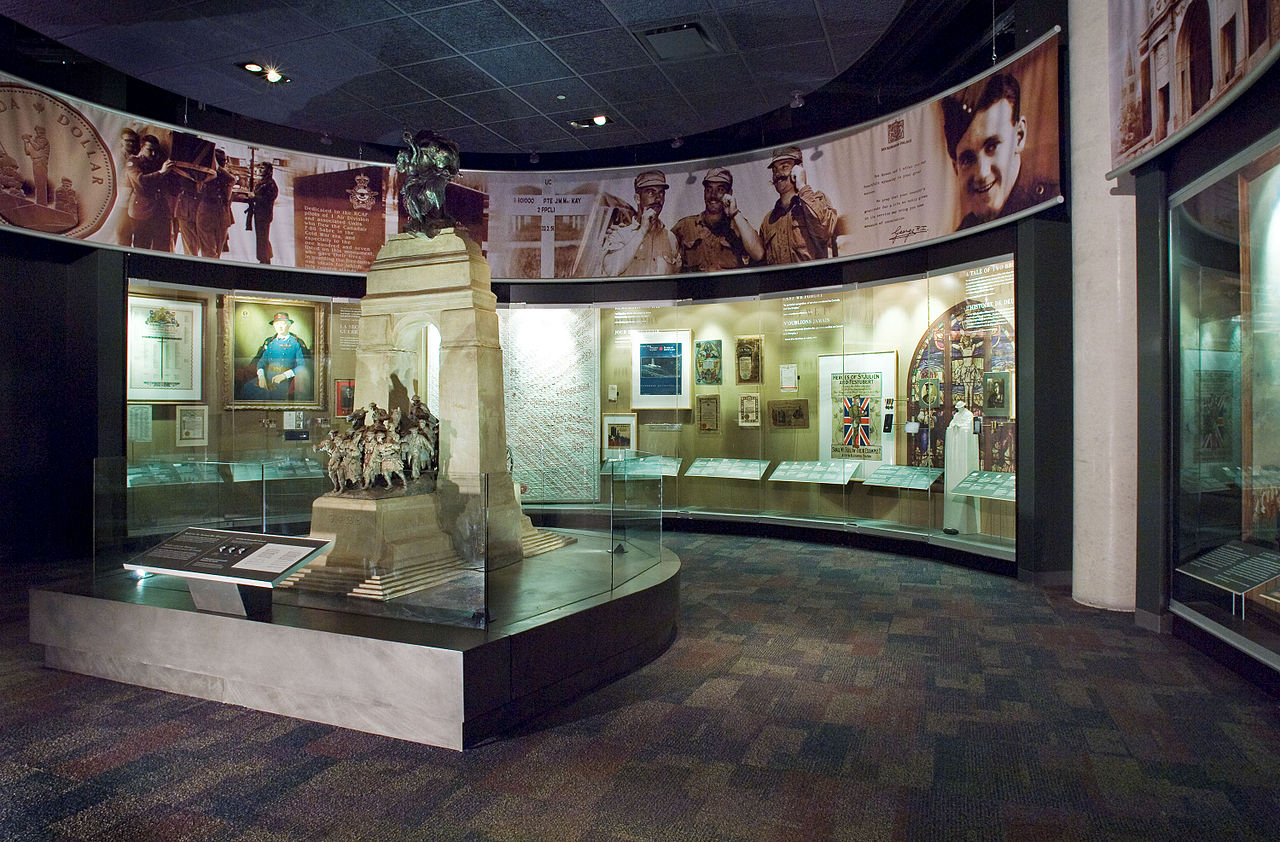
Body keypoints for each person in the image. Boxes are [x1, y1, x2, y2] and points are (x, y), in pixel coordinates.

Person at [942, 72, 1057, 230]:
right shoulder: (965, 229)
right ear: (956, 168)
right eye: (967, 159)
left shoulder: (1050, 206)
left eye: (992, 147)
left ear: (1019, 136)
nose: (982, 173)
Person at [671, 167, 764, 272]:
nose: (713, 195)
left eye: (720, 189)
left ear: (730, 193)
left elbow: (758, 254)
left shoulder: (738, 226)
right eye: (709, 189)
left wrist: (735, 213)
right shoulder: (685, 227)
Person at [758, 146, 838, 264]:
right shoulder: (768, 220)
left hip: (814, 281)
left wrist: (802, 185)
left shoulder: (817, 201)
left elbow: (824, 230)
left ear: (798, 168)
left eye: (784, 166)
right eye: (774, 170)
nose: (778, 174)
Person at [602, 170, 678, 276]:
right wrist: (642, 231)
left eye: (661, 193)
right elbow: (611, 270)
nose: (658, 198)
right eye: (651, 192)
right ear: (637, 198)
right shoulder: (620, 234)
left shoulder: (670, 238)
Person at [126, 134, 181, 251]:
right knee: (142, 246)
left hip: (160, 209)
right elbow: (141, 181)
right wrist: (162, 172)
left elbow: (171, 186)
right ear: (141, 147)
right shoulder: (133, 162)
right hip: (141, 210)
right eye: (149, 150)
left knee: (162, 246)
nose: (153, 154)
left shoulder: (158, 162)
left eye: (155, 151)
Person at [239, 312, 309, 401]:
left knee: (273, 397)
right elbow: (261, 362)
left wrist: (284, 375)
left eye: (283, 323)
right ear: (274, 326)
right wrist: (261, 377)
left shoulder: (295, 343)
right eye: (277, 324)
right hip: (267, 376)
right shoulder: (270, 342)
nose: (280, 327)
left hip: (284, 380)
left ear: (289, 325)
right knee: (247, 388)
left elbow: (301, 366)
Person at [195, 149, 234, 258]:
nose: (224, 163)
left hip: (221, 213)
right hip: (207, 212)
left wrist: (219, 169)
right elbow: (199, 187)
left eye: (224, 161)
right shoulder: (204, 173)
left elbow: (233, 179)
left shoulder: (225, 175)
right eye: (220, 161)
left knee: (217, 253)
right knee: (209, 252)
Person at [249, 161, 278, 264]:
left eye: (263, 168)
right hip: (259, 214)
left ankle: (265, 260)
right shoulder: (262, 182)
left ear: (269, 171)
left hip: (264, 215)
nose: (260, 170)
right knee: (261, 238)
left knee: (263, 238)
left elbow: (268, 200)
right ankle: (264, 258)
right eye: (260, 168)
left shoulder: (270, 183)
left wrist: (255, 197)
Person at [21, 125, 50, 205]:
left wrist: (30, 139)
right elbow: (27, 152)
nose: (37, 133)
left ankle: (42, 203)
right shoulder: (35, 141)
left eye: (38, 131)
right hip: (35, 162)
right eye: (37, 131)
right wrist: (26, 142)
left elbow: (37, 148)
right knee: (38, 183)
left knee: (41, 182)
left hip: (41, 162)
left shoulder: (43, 140)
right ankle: (39, 202)